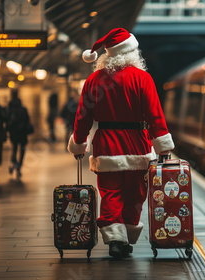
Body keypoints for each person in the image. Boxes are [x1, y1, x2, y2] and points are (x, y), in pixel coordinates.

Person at [68, 28, 174, 259]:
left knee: (111, 194)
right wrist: (163, 147)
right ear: (131, 52)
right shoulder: (142, 78)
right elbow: (154, 114)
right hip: (138, 145)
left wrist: (79, 143)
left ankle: (116, 240)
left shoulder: (93, 80)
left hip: (106, 147)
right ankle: (125, 236)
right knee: (136, 195)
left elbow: (82, 117)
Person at [6, 89, 33, 181]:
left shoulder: (10, 109)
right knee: (22, 151)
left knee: (14, 149)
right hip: (23, 134)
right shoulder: (23, 109)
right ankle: (19, 168)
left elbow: (7, 122)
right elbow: (28, 120)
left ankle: (13, 163)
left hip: (14, 133)